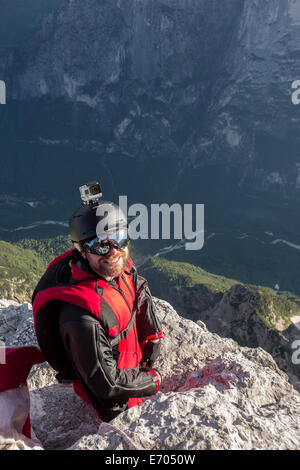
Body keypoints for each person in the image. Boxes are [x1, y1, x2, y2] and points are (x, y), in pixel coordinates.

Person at [32, 185, 163, 422]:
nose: (114, 251)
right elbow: (108, 385)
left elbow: (136, 286)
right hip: (115, 409)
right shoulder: (80, 317)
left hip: (134, 378)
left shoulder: (119, 272)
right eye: (101, 244)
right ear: (82, 251)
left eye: (119, 238)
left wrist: (152, 340)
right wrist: (152, 380)